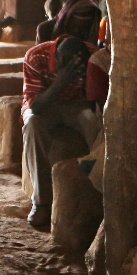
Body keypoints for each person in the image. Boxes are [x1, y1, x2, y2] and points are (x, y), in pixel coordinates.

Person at [22, 36, 100, 227]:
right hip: (43, 105)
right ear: (57, 58)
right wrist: (62, 80)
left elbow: (94, 99)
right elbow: (36, 107)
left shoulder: (92, 56)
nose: (69, 66)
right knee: (32, 125)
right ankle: (41, 203)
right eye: (63, 63)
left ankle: (99, 191)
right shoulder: (35, 57)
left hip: (76, 104)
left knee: (95, 123)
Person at [36, 0, 101, 45]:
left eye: (88, 24)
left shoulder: (90, 31)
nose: (79, 29)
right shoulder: (45, 30)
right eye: (77, 21)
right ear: (68, 16)